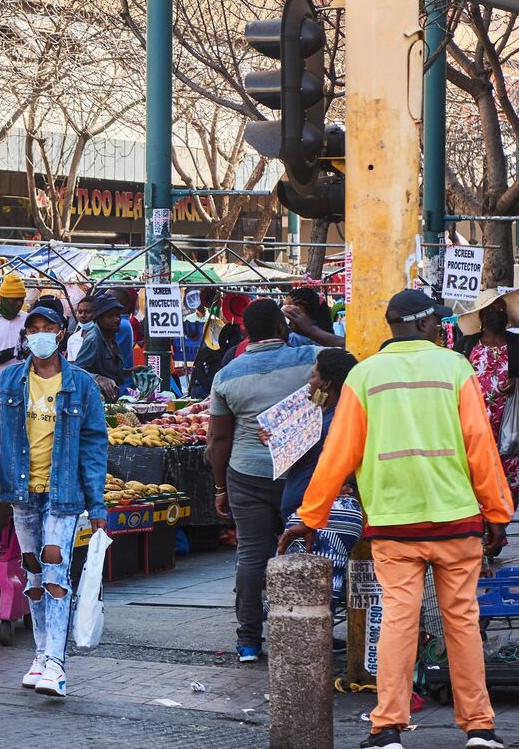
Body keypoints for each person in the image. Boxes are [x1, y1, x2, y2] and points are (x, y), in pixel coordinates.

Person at [281, 289, 514, 749]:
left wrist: (310, 517)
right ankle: (480, 729)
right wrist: (497, 513)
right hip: (457, 522)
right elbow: (480, 449)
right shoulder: (455, 368)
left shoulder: (364, 376)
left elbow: (338, 456)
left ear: (392, 326)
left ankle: (387, 727)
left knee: (397, 623)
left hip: (393, 526)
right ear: (427, 326)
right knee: (462, 622)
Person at [0, 303, 108, 698]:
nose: (41, 334)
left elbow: (94, 448)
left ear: (61, 334)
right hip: (21, 492)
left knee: (54, 571)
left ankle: (57, 665)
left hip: (63, 495)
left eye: (49, 327)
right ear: (25, 335)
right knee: (32, 573)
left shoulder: (81, 385)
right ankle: (41, 653)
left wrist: (97, 506)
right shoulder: (10, 382)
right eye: (34, 328)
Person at [208, 298, 325, 663]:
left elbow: (218, 439)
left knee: (252, 556)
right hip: (305, 474)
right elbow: (351, 355)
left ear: (245, 332)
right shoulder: (312, 358)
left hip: (247, 474)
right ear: (281, 328)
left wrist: (220, 488)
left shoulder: (226, 375)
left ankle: (248, 641)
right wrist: (310, 329)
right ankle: (306, 633)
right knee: (307, 553)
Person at [261, 349, 362, 612]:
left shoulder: (339, 417)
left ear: (326, 382)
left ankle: (312, 650)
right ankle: (318, 646)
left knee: (307, 598)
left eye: (314, 375)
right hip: (308, 513)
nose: (311, 381)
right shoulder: (320, 413)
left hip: (318, 516)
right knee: (311, 595)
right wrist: (276, 440)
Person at [454, 288, 519, 504]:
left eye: (501, 307)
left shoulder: (516, 344)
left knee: (508, 485)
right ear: (482, 315)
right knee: (475, 479)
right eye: (491, 309)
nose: (498, 311)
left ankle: (500, 525)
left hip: (509, 431)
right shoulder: (467, 344)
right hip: (474, 429)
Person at [75, 293, 132, 401]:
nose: (116, 319)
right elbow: (77, 371)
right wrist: (98, 378)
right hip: (93, 401)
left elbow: (108, 371)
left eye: (118, 315)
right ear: (99, 319)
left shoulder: (110, 337)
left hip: (109, 401)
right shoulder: (93, 340)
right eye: (110, 316)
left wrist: (131, 372)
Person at [66, 294, 94, 362]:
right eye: (80, 312)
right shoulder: (72, 339)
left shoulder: (103, 337)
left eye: (87, 312)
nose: (82, 315)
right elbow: (71, 365)